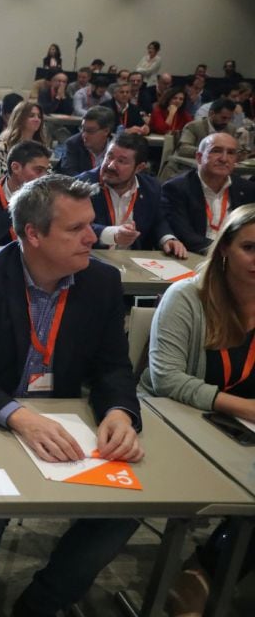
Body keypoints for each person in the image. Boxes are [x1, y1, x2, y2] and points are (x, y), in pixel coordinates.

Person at [0, 173, 144, 617]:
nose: (93, 237)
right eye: (76, 229)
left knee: (125, 512)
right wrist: (18, 415)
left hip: (69, 425)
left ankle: (44, 600)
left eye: (92, 224)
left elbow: (112, 367)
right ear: (31, 233)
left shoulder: (102, 282)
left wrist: (121, 413)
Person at [140, 204, 255, 616]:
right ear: (224, 247)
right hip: (174, 422)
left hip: (240, 432)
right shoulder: (187, 296)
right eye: (249, 248)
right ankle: (205, 570)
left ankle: (211, 565)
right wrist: (245, 407)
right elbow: (167, 378)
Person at [76, 133, 186, 256]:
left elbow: (157, 221)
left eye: (121, 161)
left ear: (139, 168)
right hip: (92, 258)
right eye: (109, 156)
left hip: (133, 261)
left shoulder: (151, 188)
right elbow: (76, 225)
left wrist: (167, 238)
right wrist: (112, 234)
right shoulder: (81, 184)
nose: (111, 165)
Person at [162, 133, 255, 255]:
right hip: (194, 256)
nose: (224, 159)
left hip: (236, 260)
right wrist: (229, 252)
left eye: (231, 153)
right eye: (216, 151)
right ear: (199, 157)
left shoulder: (247, 189)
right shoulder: (177, 188)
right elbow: (186, 237)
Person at [0, 141, 52, 247]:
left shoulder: (47, 199)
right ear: (15, 168)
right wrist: (19, 204)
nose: (44, 176)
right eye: (38, 170)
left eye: (46, 171)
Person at [0, 101, 45, 182]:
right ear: (20, 119)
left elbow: (48, 177)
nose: (37, 119)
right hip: (1, 192)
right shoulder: (1, 147)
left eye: (39, 116)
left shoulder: (40, 151)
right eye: (32, 116)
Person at [57, 106, 114, 176]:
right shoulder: (73, 144)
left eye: (90, 131)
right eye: (83, 129)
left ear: (106, 131)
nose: (84, 135)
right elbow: (69, 174)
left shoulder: (117, 147)